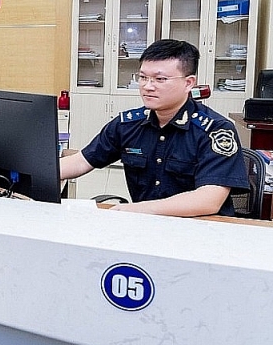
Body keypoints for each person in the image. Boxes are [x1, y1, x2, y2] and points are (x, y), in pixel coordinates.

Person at [60, 39, 248, 217]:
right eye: (142, 77)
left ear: (188, 83)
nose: (147, 86)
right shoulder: (127, 124)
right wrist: (37, 170)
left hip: (201, 228)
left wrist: (139, 209)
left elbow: (209, 199)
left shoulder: (214, 129)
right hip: (147, 225)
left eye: (160, 79)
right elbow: (82, 161)